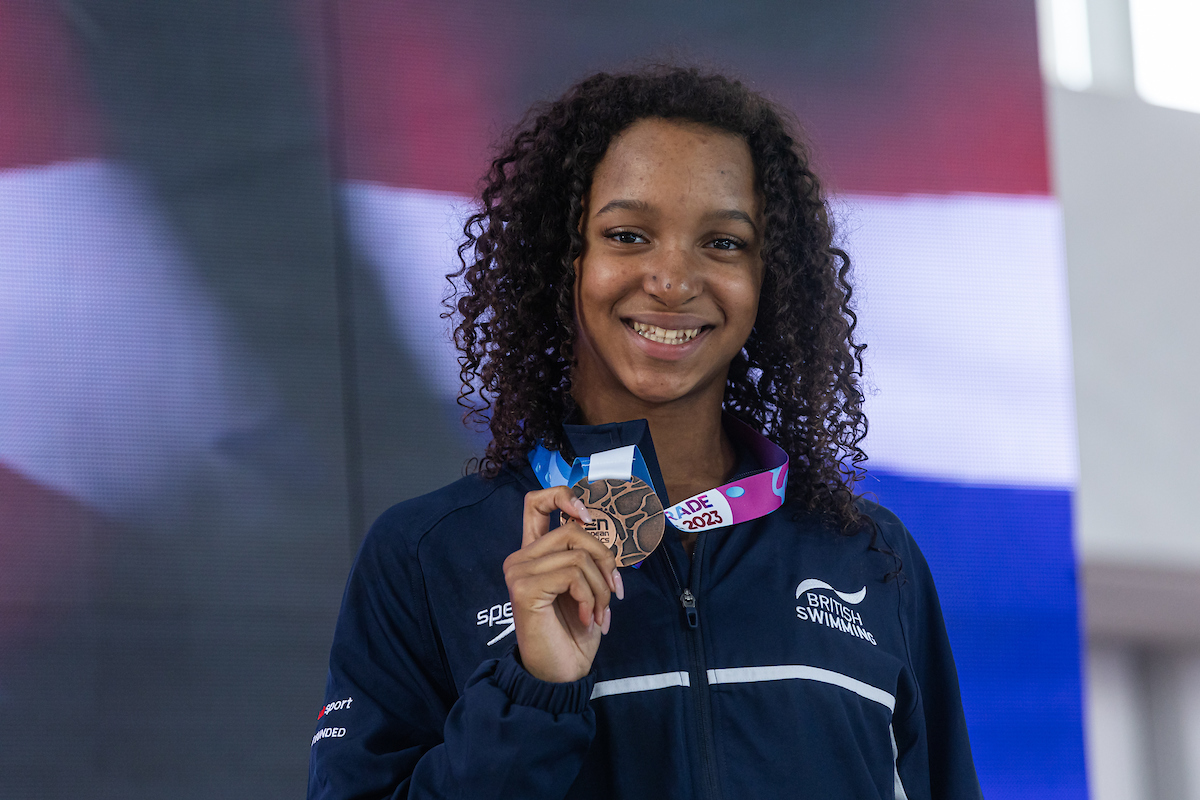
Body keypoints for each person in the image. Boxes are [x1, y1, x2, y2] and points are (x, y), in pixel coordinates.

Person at [308, 67, 981, 800]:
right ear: (565, 259)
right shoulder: (426, 556)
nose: (671, 279)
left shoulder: (872, 559)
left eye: (723, 243)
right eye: (628, 235)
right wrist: (532, 693)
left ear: (771, 281)